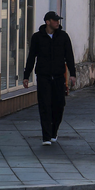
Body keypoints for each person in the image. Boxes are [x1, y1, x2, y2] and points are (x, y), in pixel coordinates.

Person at [22, 11, 77, 145]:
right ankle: (46, 136)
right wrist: (26, 75)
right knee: (45, 105)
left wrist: (73, 74)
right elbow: (31, 57)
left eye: (58, 20)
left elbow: (69, 56)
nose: (57, 22)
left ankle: (54, 131)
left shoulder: (63, 37)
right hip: (43, 76)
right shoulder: (37, 37)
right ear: (47, 22)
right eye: (55, 20)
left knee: (59, 105)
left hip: (58, 76)